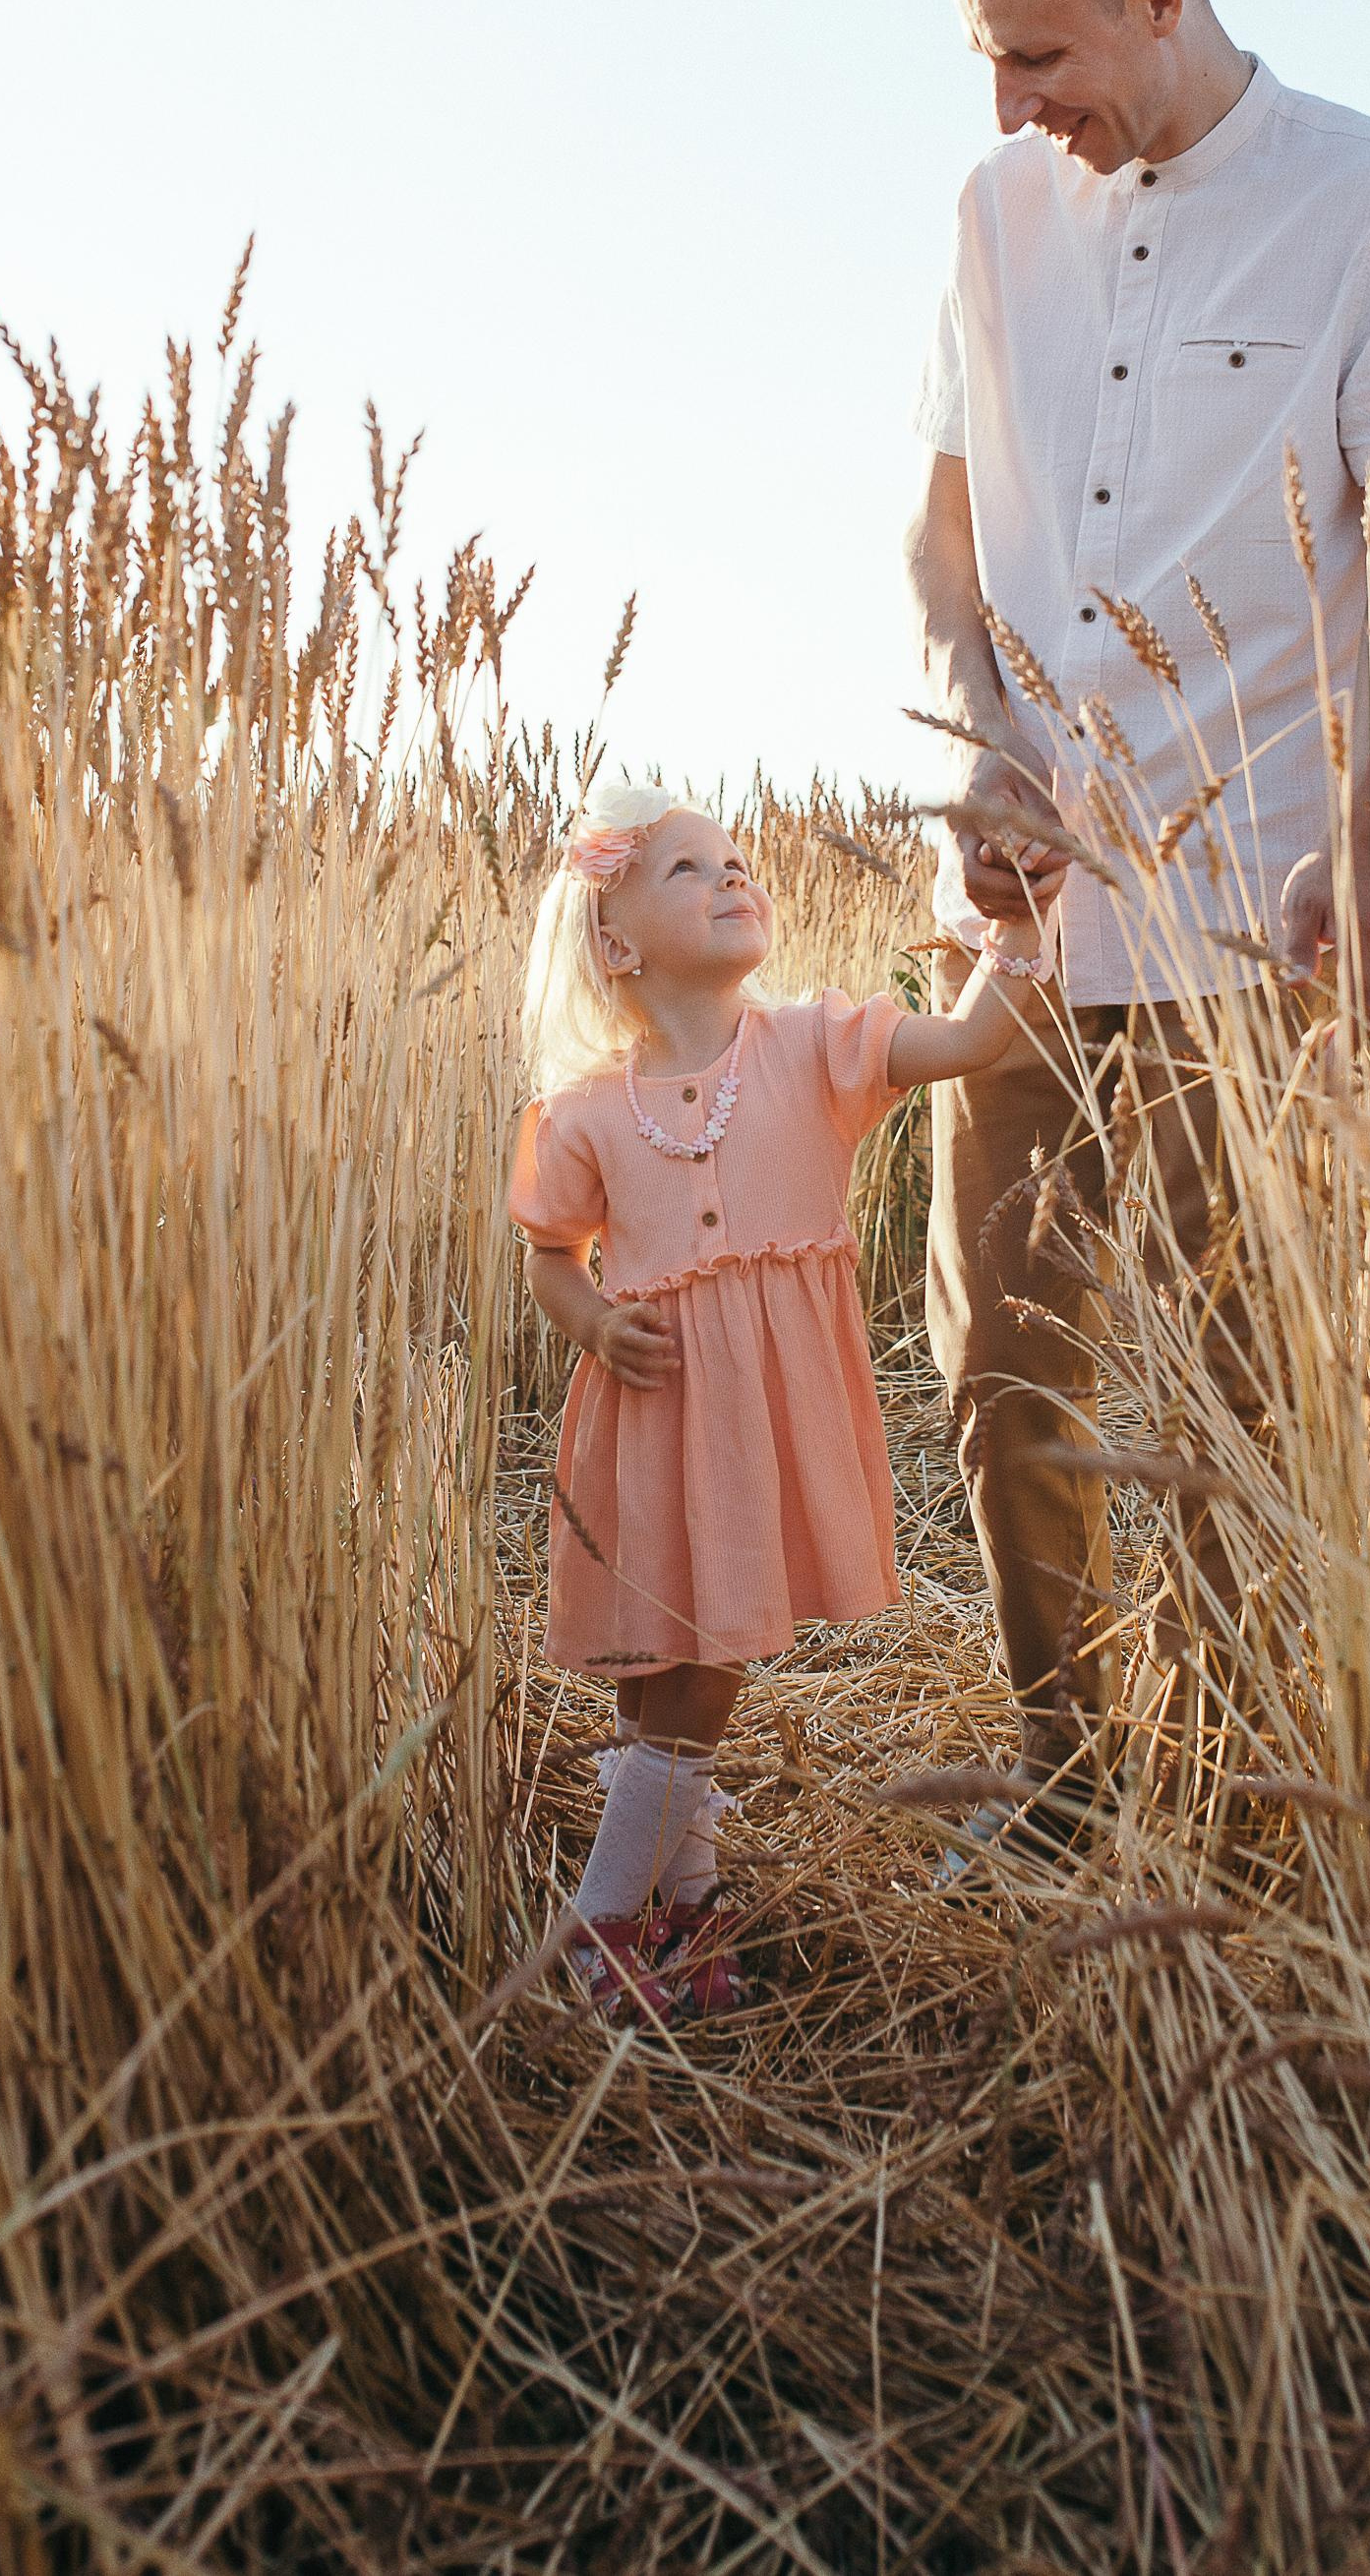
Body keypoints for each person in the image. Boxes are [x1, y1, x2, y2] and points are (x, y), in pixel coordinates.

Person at [907, 0, 1370, 1846]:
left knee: (1248, 1390)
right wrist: (979, 735)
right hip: (1012, 924)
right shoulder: (992, 218)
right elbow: (934, 537)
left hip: (1250, 909)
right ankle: (1072, 1789)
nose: (1010, 100)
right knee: (1002, 1370)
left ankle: (1259, 1806)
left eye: (1040, 52)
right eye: (987, 58)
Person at [509, 776, 1043, 2019]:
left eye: (736, 857)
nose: (731, 874)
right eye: (687, 868)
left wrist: (1012, 932)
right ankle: (644, 1918)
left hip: (755, 1430)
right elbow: (549, 1252)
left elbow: (967, 1042)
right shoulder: (589, 1109)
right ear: (616, 942)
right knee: (658, 1679)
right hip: (654, 1427)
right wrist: (592, 1317)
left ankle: (626, 1918)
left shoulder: (810, 1045)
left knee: (699, 1678)